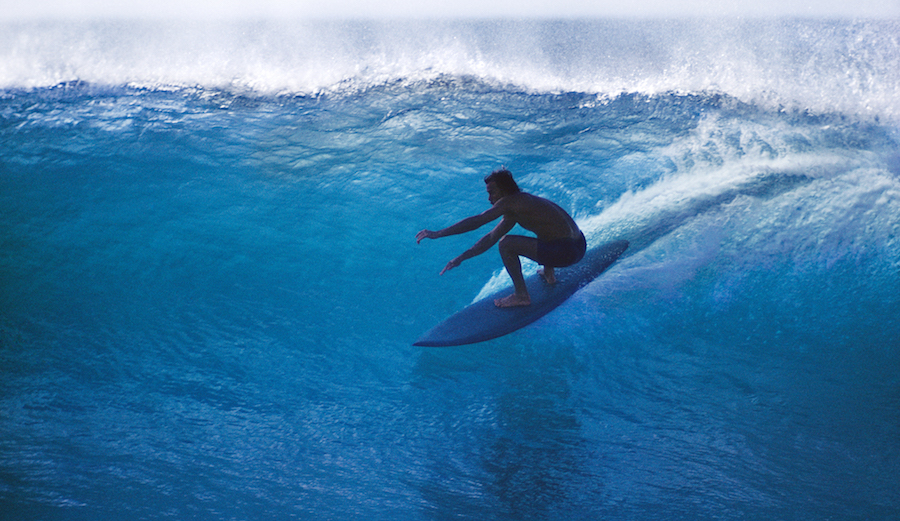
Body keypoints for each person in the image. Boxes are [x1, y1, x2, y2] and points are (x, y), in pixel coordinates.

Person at [416, 169, 586, 308]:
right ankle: (549, 275)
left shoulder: (510, 202)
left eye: (492, 192)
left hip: (565, 253)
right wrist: (461, 257)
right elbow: (491, 237)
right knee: (544, 230)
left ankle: (521, 296)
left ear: (504, 190)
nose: (490, 198)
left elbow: (478, 221)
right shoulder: (524, 203)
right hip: (579, 246)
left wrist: (437, 234)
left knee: (506, 244)